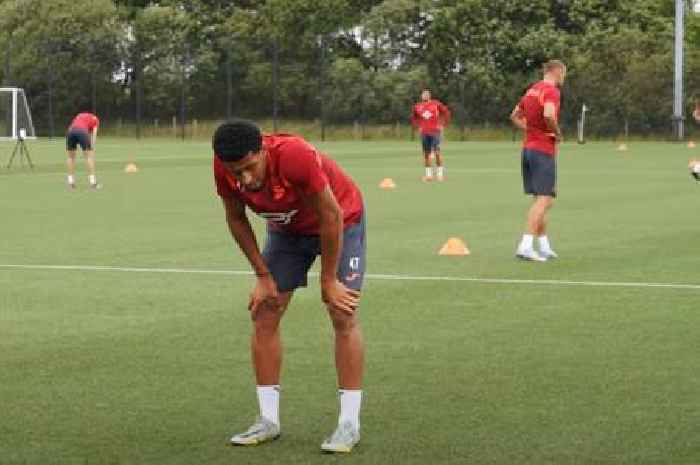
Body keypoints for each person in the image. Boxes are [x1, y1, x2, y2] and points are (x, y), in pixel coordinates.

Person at [212, 120, 366, 453]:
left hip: (342, 220)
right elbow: (236, 217)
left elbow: (331, 215)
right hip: (287, 230)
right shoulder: (223, 166)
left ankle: (349, 423)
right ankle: (268, 420)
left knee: (342, 313)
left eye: (250, 167)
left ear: (263, 150)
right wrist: (263, 276)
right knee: (264, 312)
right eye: (237, 172)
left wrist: (328, 281)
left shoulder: (294, 155)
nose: (246, 179)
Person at [510, 60, 566, 261]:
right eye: (563, 74)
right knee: (544, 199)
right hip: (543, 150)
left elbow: (515, 115)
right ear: (557, 72)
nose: (563, 78)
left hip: (528, 149)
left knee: (542, 199)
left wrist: (531, 130)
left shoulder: (532, 90)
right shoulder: (551, 92)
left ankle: (544, 246)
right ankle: (525, 245)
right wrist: (557, 133)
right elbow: (549, 114)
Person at [411, 89, 451, 182]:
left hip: (435, 132)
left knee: (437, 152)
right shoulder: (417, 106)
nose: (425, 96)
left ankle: (440, 175)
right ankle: (428, 175)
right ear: (421, 96)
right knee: (426, 154)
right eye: (423, 94)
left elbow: (446, 113)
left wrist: (442, 124)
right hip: (424, 133)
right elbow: (414, 118)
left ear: (430, 96)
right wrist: (418, 126)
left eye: (426, 94)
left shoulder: (436, 104)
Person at [65, 112, 100, 189]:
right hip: (82, 131)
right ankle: (93, 183)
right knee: (89, 157)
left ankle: (70, 182)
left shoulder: (79, 115)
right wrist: (92, 147)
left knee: (71, 158)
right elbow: (94, 134)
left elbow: (75, 124)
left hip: (71, 131)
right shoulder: (96, 120)